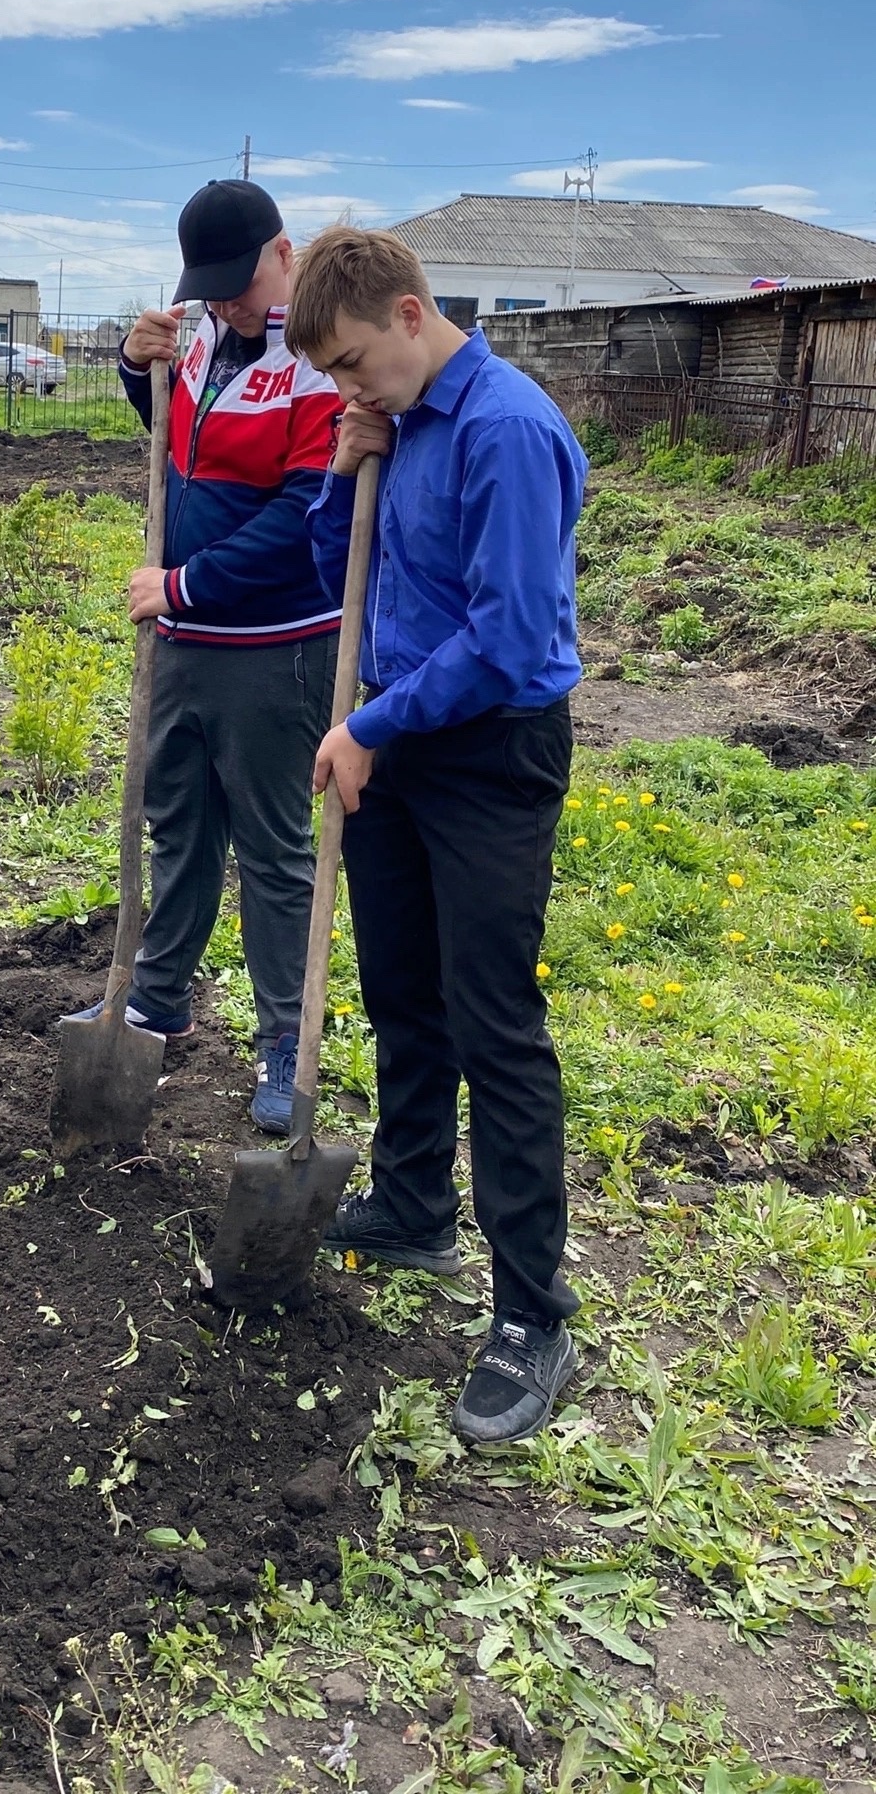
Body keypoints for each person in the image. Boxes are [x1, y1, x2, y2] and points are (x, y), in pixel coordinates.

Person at [285, 224, 587, 1447]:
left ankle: (532, 1315)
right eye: (335, 377)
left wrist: (372, 725)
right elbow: (339, 576)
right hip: (396, 741)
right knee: (404, 995)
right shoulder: (395, 426)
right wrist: (341, 468)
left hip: (485, 754)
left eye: (355, 364)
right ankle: (414, 1205)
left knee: (494, 1022)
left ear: (410, 315)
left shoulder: (505, 430)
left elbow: (512, 641)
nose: (350, 388)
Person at [66, 180, 343, 1131]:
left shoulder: (318, 363)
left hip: (274, 647)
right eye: (209, 286)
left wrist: (186, 585)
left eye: (239, 282)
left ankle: (283, 1043)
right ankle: (155, 999)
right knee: (178, 827)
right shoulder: (195, 339)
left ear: (285, 254)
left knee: (272, 853)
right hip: (181, 646)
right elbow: (177, 453)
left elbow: (303, 514)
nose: (223, 301)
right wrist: (132, 367)